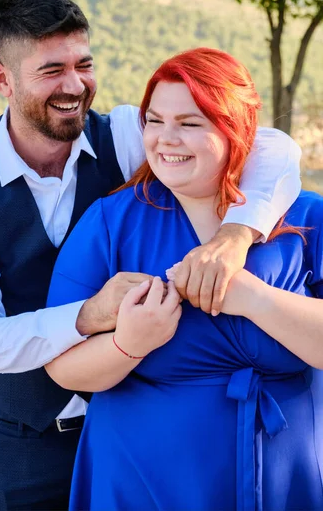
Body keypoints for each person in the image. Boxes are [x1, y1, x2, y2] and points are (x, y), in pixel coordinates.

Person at [0, 0, 301, 511]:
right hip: (20, 446)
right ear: (3, 79)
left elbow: (271, 145)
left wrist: (238, 235)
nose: (75, 85)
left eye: (84, 64)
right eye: (51, 70)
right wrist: (90, 315)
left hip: (127, 432)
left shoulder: (125, 133)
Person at [45, 48, 323, 511]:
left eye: (190, 123)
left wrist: (255, 299)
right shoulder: (110, 221)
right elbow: (60, 366)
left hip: (287, 479)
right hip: (143, 482)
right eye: (153, 121)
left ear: (236, 129)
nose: (165, 140)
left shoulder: (307, 216)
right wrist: (129, 343)